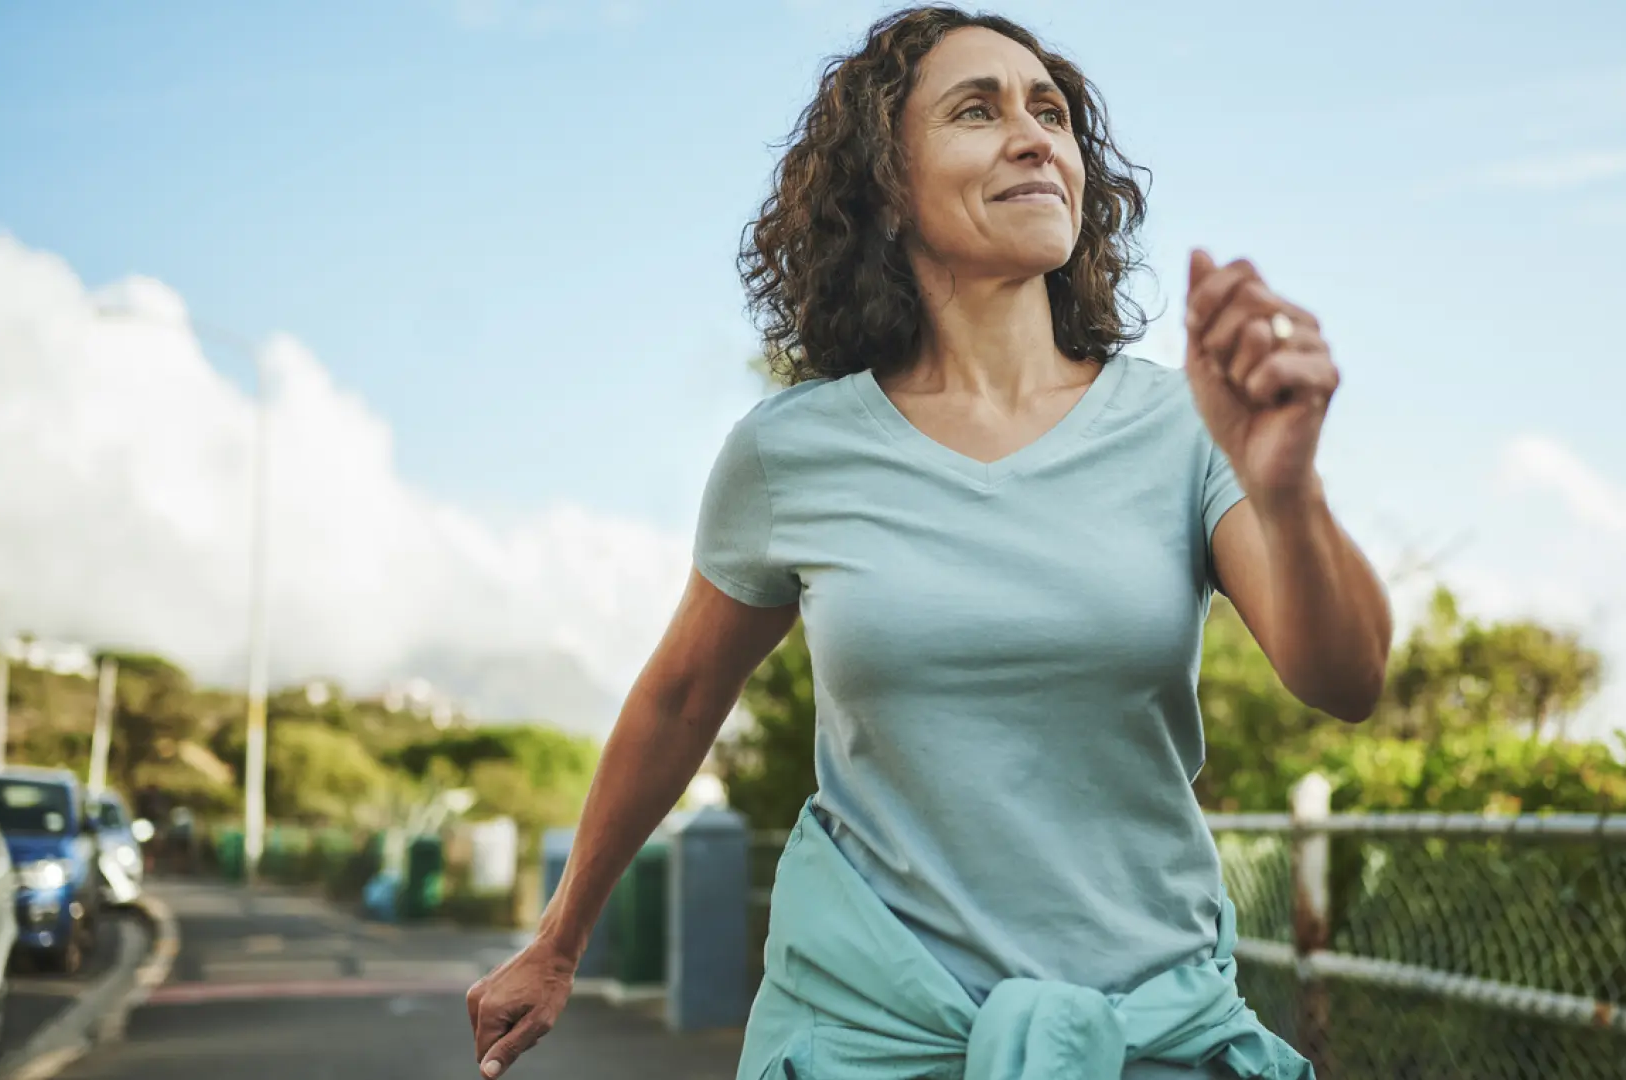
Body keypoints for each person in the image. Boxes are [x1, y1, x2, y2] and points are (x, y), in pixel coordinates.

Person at [466, 6, 1392, 1078]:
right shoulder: (790, 453)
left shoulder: (1188, 422)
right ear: (888, 186)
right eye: (976, 110)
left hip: (1147, 1037)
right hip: (867, 1037)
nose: (1035, 134)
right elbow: (679, 698)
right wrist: (559, 940)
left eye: (1050, 111)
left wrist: (1289, 492)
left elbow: (1345, 678)